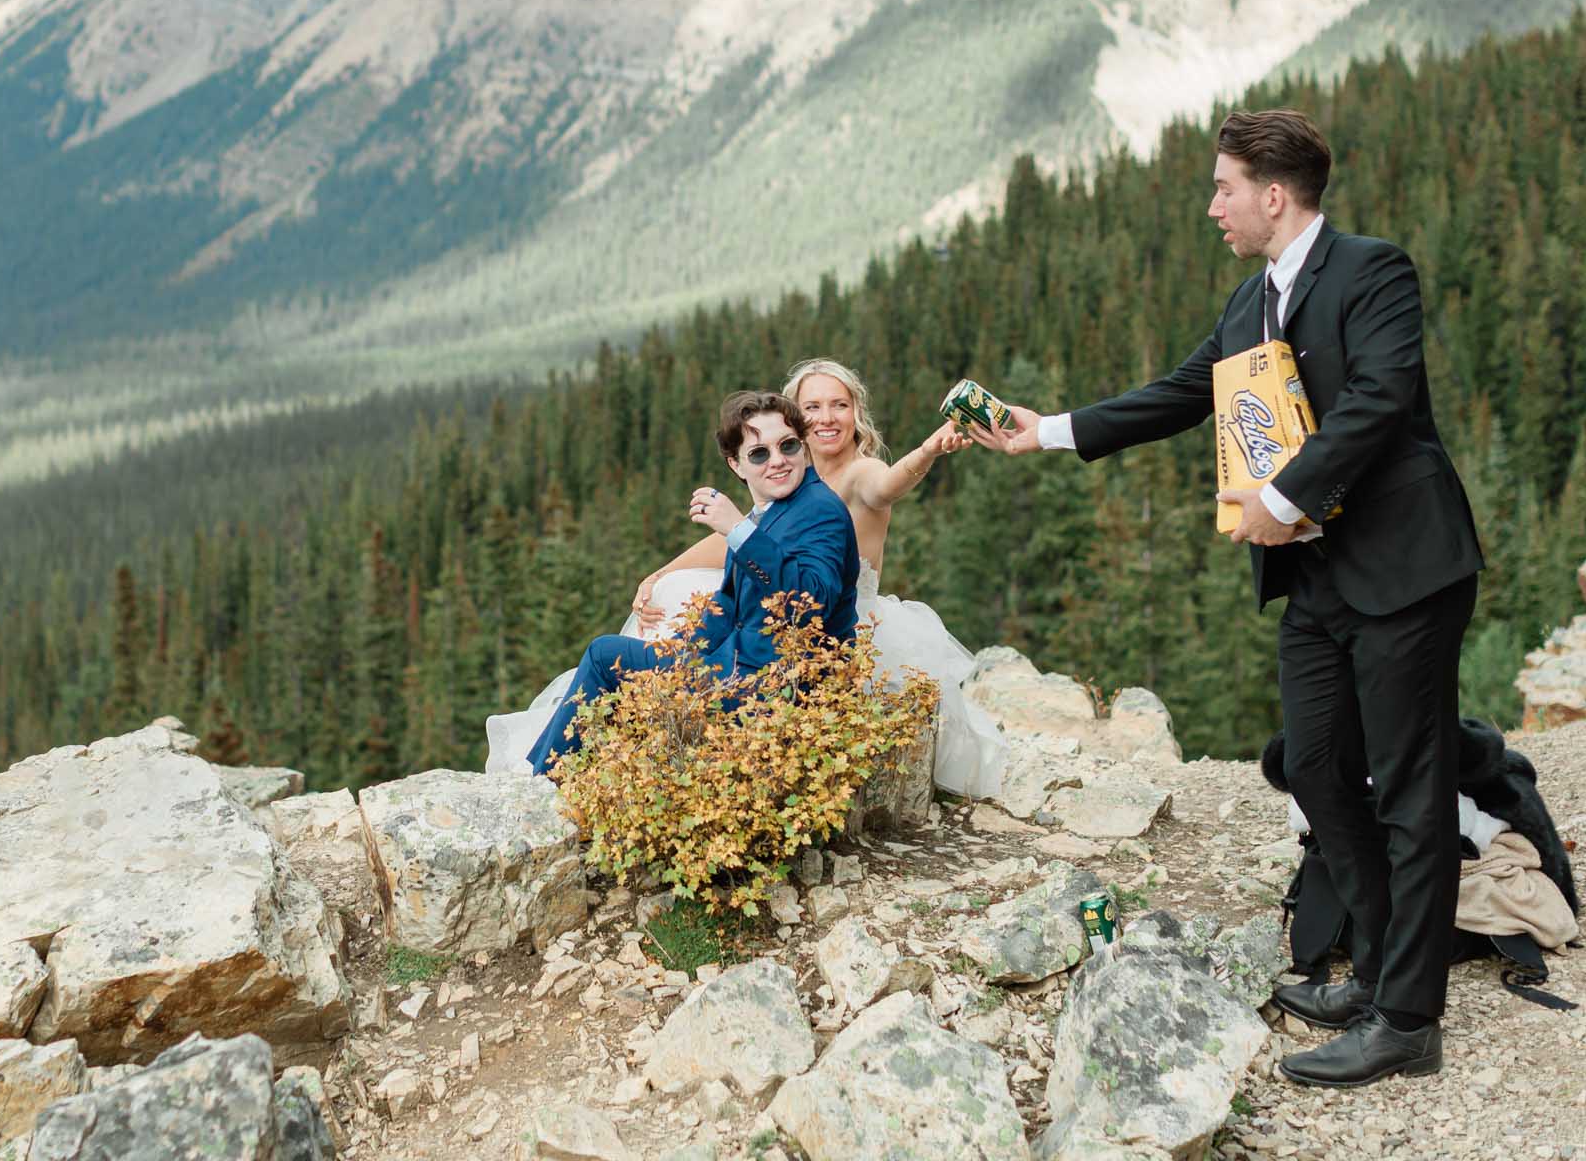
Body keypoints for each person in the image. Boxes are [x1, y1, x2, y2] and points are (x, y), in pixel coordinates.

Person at [966, 107, 1484, 1089]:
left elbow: (1380, 399)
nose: (1212, 206)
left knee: (1411, 792)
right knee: (1317, 768)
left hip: (1404, 566)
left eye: (1222, 187)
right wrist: (1044, 432)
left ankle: (1407, 1020)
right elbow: (1178, 392)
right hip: (1316, 580)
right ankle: (1368, 973)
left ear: (1272, 194)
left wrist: (1277, 498)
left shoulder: (1373, 271)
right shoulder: (1249, 301)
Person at [624, 358, 1006, 800]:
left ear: (856, 413)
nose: (826, 418)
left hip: (839, 620)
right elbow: (736, 539)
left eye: (839, 405)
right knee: (678, 593)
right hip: (785, 603)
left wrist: (927, 452)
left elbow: (888, 485)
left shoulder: (859, 473)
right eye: (813, 407)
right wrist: (658, 574)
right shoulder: (784, 471)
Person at [517, 390, 860, 776]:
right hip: (741, 666)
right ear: (736, 465)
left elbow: (811, 604)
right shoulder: (772, 509)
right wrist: (679, 654)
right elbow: (730, 606)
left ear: (804, 447)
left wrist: (738, 531)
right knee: (610, 657)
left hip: (781, 687)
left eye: (788, 446)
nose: (778, 461)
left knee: (604, 658)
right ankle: (556, 781)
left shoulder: (819, 510)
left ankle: (545, 785)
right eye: (760, 453)